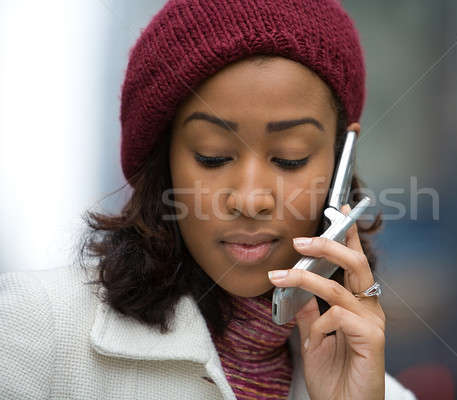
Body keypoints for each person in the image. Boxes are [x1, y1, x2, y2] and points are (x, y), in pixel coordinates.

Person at [0, 0, 416, 399]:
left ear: (341, 161)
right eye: (212, 156)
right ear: (163, 162)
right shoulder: (33, 332)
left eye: (290, 158)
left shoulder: (381, 394)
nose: (250, 199)